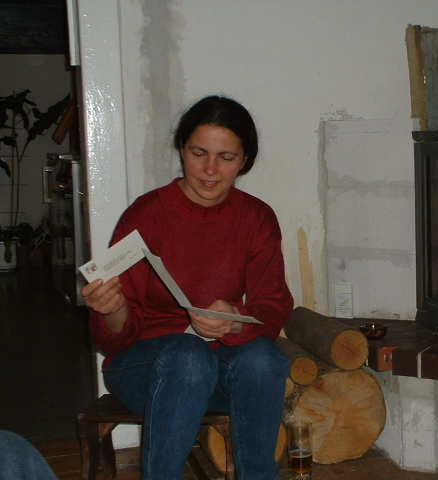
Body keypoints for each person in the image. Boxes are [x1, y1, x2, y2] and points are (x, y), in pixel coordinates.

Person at [82, 95, 294, 480]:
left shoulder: (256, 218)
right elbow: (111, 342)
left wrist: (235, 320)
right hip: (145, 370)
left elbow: (274, 306)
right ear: (181, 149)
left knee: (264, 359)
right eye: (199, 154)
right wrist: (113, 309)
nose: (210, 170)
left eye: (226, 158)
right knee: (189, 355)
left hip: (217, 366)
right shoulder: (147, 215)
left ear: (244, 159)